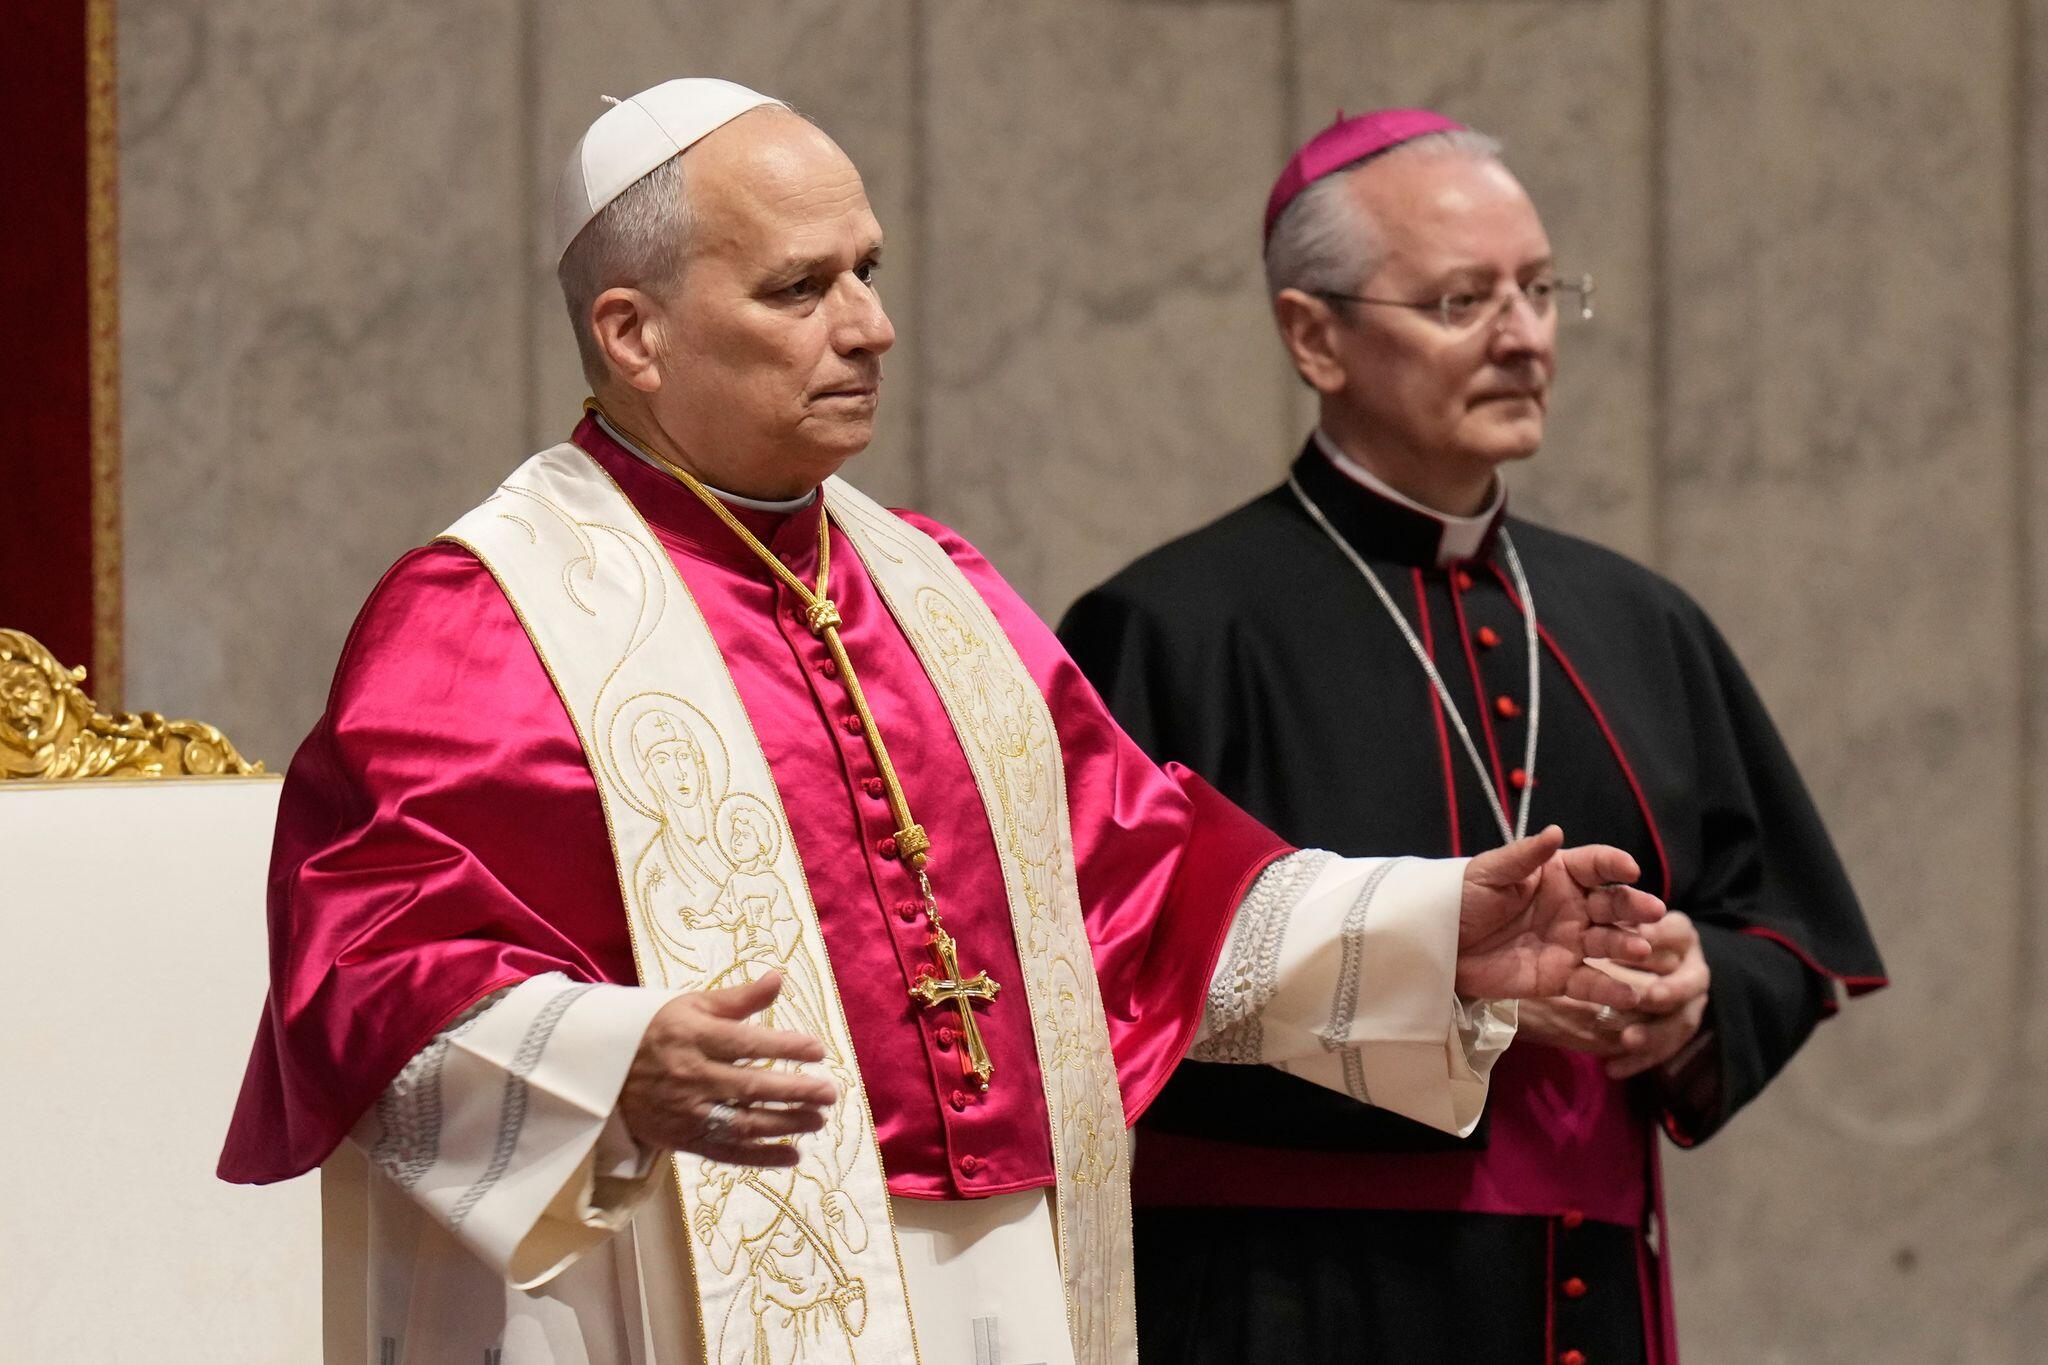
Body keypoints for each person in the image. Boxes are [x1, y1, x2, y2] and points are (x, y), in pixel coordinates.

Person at [218, 82, 1664, 1365]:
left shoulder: (936, 590)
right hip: (670, 1275)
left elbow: (1142, 893)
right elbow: (361, 965)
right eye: (800, 288)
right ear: (633, 333)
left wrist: (1430, 932)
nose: (870, 326)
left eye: (869, 270)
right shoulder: (489, 611)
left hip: (1004, 1277)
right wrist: (609, 1060)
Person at [1058, 110, 1888, 1364]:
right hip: (1290, 1298)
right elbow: (1101, 988)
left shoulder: (1637, 618)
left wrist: (1695, 992)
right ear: (1313, 336)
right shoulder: (1168, 625)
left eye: (1539, 290)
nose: (1522, 336)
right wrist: (1443, 979)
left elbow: (1774, 923)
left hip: (1581, 1294)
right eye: (1461, 301)